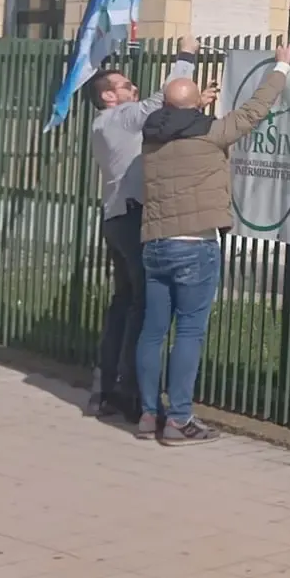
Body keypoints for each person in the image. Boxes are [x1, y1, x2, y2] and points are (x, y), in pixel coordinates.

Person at [135, 43, 290, 444]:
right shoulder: (210, 133)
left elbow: (176, 115)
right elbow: (254, 111)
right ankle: (179, 419)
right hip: (195, 245)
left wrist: (192, 103)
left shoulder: (150, 137)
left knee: (153, 333)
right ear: (195, 109)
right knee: (189, 331)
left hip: (154, 244)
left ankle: (148, 414)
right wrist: (281, 67)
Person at [82, 37, 199, 420]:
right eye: (126, 86)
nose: (133, 89)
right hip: (132, 219)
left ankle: (105, 388)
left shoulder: (105, 125)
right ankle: (130, 391)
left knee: (122, 303)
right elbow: (158, 103)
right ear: (109, 98)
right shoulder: (121, 116)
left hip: (115, 217)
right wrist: (186, 57)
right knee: (143, 305)